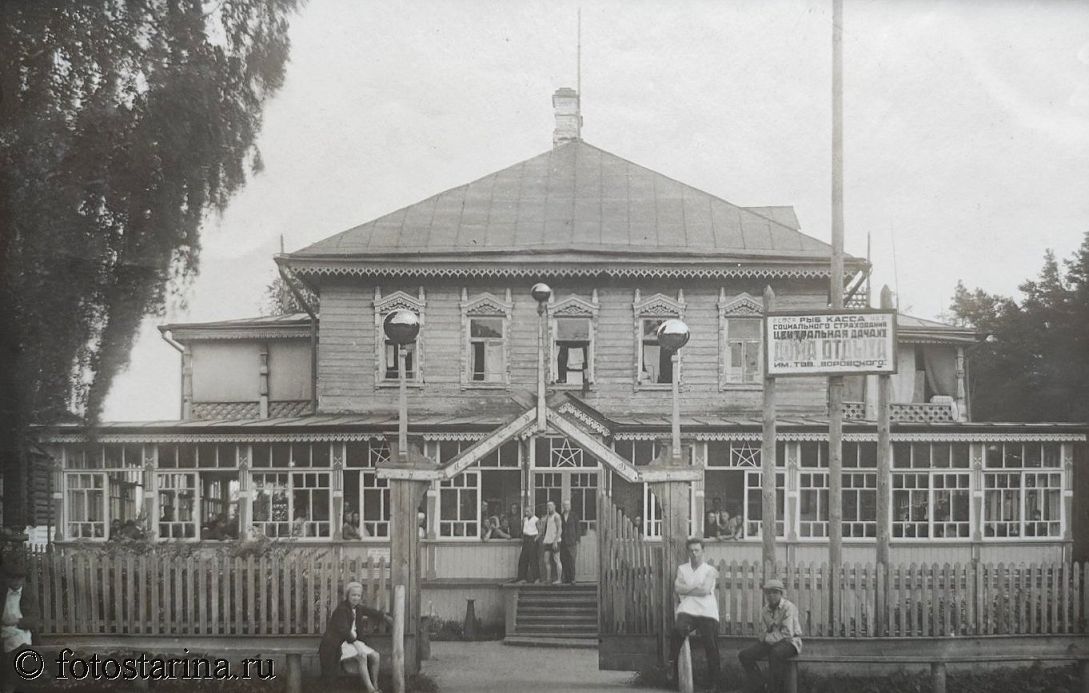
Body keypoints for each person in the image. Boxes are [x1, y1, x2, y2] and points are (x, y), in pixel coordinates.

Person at [319, 581, 393, 693]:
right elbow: (344, 631)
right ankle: (371, 690)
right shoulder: (341, 609)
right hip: (340, 643)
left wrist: (385, 617)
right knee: (362, 656)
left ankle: (376, 685)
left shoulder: (358, 608)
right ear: (347, 595)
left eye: (358, 595)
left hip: (353, 641)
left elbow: (370, 611)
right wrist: (357, 646)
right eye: (353, 595)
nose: (356, 598)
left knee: (376, 656)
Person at [669, 537, 720, 692]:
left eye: (697, 550)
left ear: (703, 551)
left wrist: (688, 589)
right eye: (691, 550)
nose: (694, 553)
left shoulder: (710, 570)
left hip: (707, 611)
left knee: (710, 645)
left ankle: (714, 683)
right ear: (688, 552)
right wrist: (696, 588)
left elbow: (705, 590)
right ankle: (672, 671)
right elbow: (678, 589)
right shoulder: (682, 569)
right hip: (688, 608)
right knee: (678, 630)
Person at [738, 578, 802, 693]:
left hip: (790, 642)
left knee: (775, 653)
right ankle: (760, 685)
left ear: (781, 594)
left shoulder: (788, 607)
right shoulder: (765, 610)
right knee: (744, 655)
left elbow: (787, 633)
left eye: (775, 592)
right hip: (772, 641)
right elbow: (763, 631)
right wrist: (765, 637)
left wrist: (766, 638)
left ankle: (774, 689)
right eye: (768, 592)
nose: (771, 595)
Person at [0, 557, 38, 693]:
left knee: (20, 648)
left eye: (19, 579)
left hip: (21, 631)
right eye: (12, 578)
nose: (16, 582)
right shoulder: (2, 593)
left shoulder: (29, 595)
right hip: (3, 631)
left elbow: (34, 620)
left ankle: (9, 687)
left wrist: (16, 621)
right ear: (6, 579)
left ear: (23, 579)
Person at [514, 506, 540, 583]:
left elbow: (540, 531)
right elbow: (523, 530)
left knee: (533, 559)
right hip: (526, 539)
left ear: (532, 511)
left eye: (528, 511)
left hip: (532, 539)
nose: (526, 513)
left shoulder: (536, 520)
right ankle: (522, 578)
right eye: (525, 511)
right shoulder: (524, 519)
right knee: (523, 559)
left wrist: (535, 540)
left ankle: (537, 578)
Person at [541, 501, 563, 584]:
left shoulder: (556, 516)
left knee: (557, 560)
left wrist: (555, 541)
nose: (549, 508)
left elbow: (560, 530)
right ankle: (548, 579)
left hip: (555, 541)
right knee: (546, 560)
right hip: (548, 541)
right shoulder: (548, 517)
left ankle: (559, 579)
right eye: (548, 506)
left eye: (550, 506)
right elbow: (544, 528)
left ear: (554, 506)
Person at [560, 499, 581, 584]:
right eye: (565, 505)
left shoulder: (574, 515)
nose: (566, 506)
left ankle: (572, 578)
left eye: (568, 505)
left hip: (572, 541)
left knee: (572, 560)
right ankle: (566, 578)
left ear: (570, 506)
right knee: (564, 560)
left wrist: (577, 539)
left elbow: (578, 528)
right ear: (563, 506)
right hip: (563, 541)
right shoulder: (560, 516)